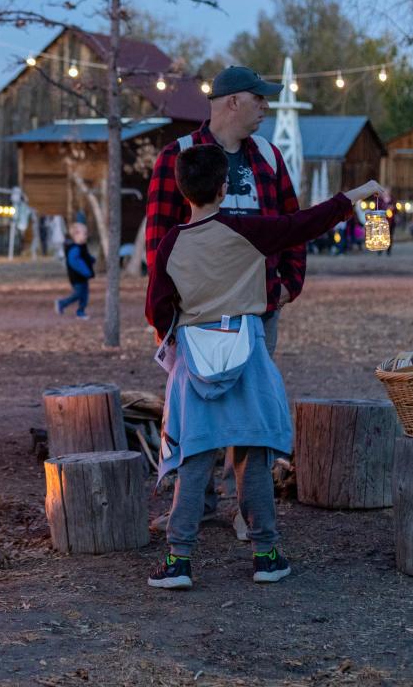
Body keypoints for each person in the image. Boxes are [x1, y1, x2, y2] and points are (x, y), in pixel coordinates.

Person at [145, 143, 386, 589]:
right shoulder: (246, 230)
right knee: (251, 459)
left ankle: (179, 561)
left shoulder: (170, 245)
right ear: (223, 188)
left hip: (195, 360)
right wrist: (357, 193)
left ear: (183, 191)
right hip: (247, 352)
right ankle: (267, 555)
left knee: (194, 460)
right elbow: (303, 224)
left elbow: (158, 312)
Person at [144, 65, 300, 536]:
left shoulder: (269, 158)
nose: (266, 108)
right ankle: (200, 504)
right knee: (196, 410)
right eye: (259, 99)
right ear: (232, 102)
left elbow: (292, 225)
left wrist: (290, 281)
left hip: (257, 312)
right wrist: (165, 314)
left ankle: (248, 512)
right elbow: (160, 242)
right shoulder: (180, 156)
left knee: (248, 408)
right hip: (196, 319)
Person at [55, 221, 94, 319]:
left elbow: (85, 257)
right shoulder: (74, 249)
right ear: (76, 235)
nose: (86, 236)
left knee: (84, 295)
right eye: (84, 234)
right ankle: (62, 303)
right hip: (77, 277)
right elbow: (74, 262)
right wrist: (86, 271)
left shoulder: (81, 247)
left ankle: (80, 311)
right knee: (78, 294)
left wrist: (91, 259)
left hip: (83, 276)